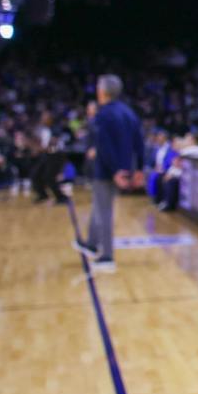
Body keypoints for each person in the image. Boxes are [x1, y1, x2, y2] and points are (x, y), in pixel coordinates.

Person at [78, 75, 142, 272]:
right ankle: (91, 242)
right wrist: (139, 169)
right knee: (99, 205)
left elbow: (104, 146)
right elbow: (139, 142)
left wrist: (115, 170)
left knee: (104, 211)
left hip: (107, 170)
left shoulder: (103, 114)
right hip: (126, 169)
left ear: (102, 91)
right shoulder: (129, 112)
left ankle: (107, 256)